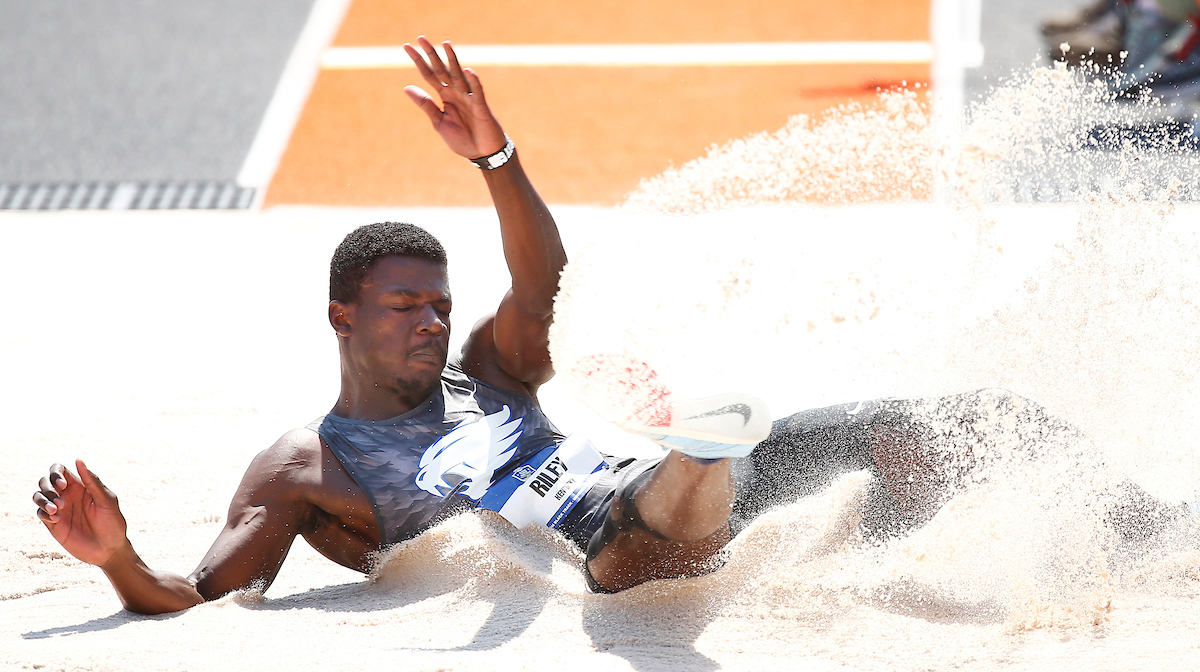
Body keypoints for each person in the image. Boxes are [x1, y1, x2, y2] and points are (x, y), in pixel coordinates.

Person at [31, 39, 1191, 614]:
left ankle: (1158, 527)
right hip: (605, 537)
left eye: (438, 302)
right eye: (404, 307)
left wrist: (496, 157)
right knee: (658, 516)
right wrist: (119, 558)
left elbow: (543, 287)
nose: (433, 322)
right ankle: (706, 454)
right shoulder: (301, 466)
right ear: (342, 317)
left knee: (950, 423)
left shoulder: (486, 371)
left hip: (634, 471)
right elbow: (208, 593)